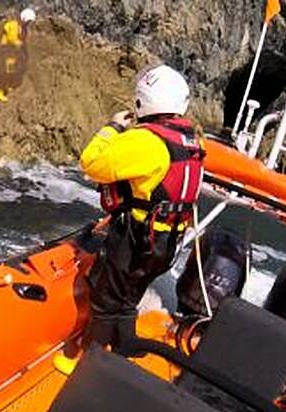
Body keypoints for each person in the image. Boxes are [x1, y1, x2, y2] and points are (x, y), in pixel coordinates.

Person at [58, 65, 206, 369]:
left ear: (143, 102)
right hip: (168, 243)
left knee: (106, 300)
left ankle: (88, 363)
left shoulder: (147, 141)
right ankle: (126, 348)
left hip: (136, 239)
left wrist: (112, 127)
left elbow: (92, 162)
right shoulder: (192, 142)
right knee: (129, 297)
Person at [0, 7, 36, 103]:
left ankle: (8, 86)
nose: (28, 23)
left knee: (16, 68)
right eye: (28, 21)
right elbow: (12, 39)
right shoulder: (13, 25)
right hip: (5, 50)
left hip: (13, 51)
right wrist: (20, 44)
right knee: (6, 68)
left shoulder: (23, 29)